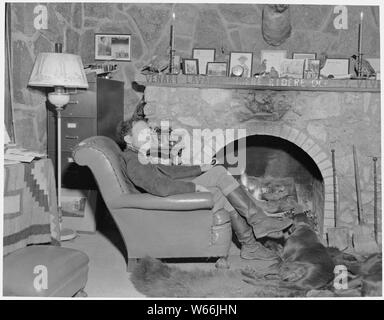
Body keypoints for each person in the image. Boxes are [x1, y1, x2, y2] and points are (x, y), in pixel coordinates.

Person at [117, 117, 293, 260]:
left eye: (149, 131)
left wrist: (199, 168)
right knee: (219, 182)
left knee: (218, 175)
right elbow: (161, 187)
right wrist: (195, 186)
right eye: (142, 132)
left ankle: (255, 233)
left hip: (170, 196)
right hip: (167, 203)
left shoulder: (138, 156)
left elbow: (167, 172)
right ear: (129, 139)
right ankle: (256, 229)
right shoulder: (135, 163)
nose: (149, 135)